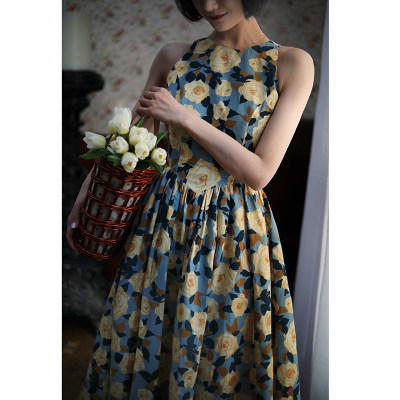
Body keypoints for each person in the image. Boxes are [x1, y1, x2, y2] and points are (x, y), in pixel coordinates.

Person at [69, 0, 314, 398]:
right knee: (149, 334)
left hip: (236, 230)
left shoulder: (291, 63)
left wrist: (184, 117)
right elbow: (134, 140)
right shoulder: (173, 57)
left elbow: (259, 172)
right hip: (165, 221)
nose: (209, 5)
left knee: (224, 345)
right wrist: (87, 192)